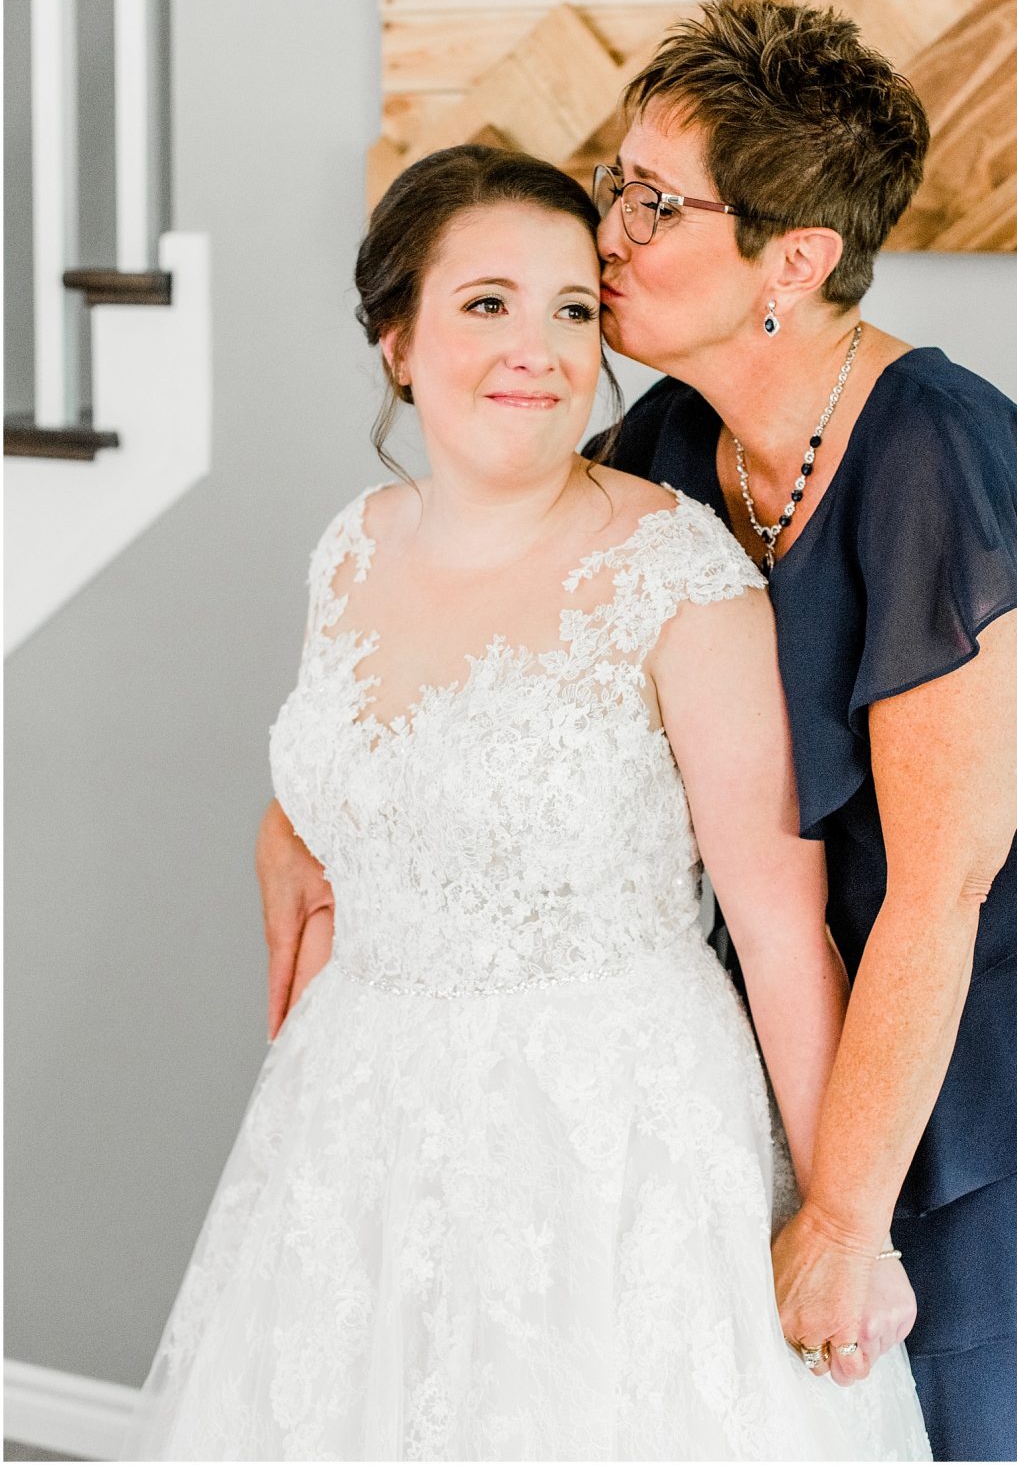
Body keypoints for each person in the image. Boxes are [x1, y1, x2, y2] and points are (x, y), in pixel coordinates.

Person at [257, 0, 1017, 1463]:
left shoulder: (941, 458)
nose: (606, 230)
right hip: (788, 1045)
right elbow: (500, 634)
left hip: (975, 1058)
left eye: (653, 201)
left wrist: (842, 1211)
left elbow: (944, 893)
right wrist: (314, 796)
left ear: (795, 261)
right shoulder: (674, 441)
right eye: (616, 179)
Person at [124, 144, 931, 1461]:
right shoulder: (351, 550)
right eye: (487, 303)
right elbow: (353, 827)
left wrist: (852, 1227)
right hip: (363, 1123)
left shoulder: (679, 576)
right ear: (398, 338)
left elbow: (784, 936)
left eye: (570, 309)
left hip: (609, 1141)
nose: (540, 348)